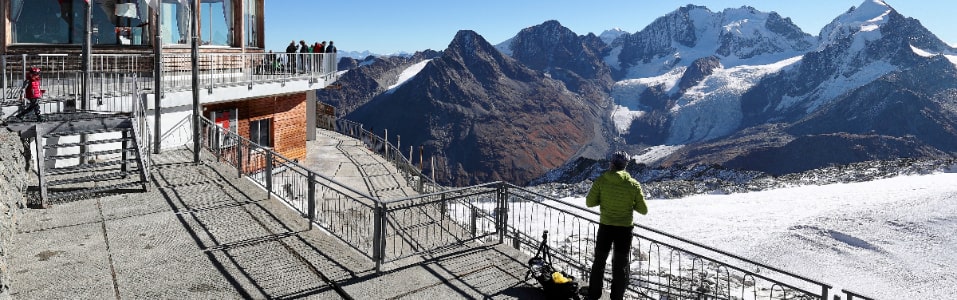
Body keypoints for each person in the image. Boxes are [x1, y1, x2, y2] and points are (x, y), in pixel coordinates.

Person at [585, 151, 648, 300]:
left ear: (611, 163)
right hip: (624, 230)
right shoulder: (633, 185)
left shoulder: (601, 181)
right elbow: (643, 210)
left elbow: (589, 203)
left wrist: (605, 201)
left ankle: (594, 295)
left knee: (599, 262)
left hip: (605, 227)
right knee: (620, 266)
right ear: (625, 165)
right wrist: (629, 204)